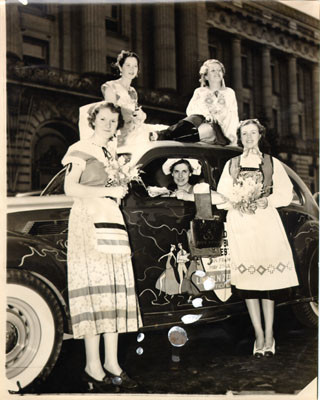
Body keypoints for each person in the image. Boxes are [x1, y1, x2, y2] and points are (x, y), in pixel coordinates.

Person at [62, 101, 142, 392]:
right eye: (104, 119)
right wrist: (108, 190)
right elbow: (70, 188)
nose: (109, 125)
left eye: (113, 121)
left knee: (112, 291)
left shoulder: (112, 154)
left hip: (111, 218)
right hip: (88, 220)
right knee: (95, 290)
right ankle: (92, 365)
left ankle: (112, 362)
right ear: (94, 121)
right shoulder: (81, 148)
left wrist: (114, 194)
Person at [216, 118, 299, 358]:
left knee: (267, 284)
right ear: (240, 138)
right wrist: (235, 200)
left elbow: (285, 193)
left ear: (260, 135)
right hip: (241, 226)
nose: (249, 138)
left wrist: (268, 200)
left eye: (253, 133)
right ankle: (258, 335)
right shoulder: (231, 164)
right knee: (249, 283)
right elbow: (223, 195)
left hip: (265, 224)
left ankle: (270, 335)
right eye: (245, 134)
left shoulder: (272, 163)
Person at [100, 50, 167, 147]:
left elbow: (136, 113)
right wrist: (130, 114)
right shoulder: (111, 87)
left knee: (163, 130)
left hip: (134, 129)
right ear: (120, 67)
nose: (132, 69)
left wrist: (140, 115)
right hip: (120, 133)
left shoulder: (133, 92)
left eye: (135, 66)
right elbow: (110, 115)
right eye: (128, 65)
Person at [185, 59, 239, 145]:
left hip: (223, 135)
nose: (217, 72)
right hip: (204, 133)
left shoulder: (229, 93)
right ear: (206, 76)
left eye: (219, 70)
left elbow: (233, 117)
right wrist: (206, 115)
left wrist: (232, 139)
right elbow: (191, 111)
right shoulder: (200, 92)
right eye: (213, 70)